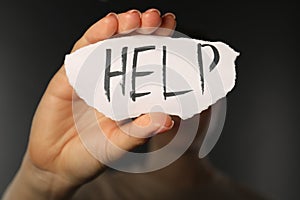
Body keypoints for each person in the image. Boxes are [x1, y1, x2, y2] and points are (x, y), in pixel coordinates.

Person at [2, 8, 267, 200]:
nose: (184, 109)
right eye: (169, 89)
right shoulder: (96, 195)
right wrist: (43, 181)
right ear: (141, 94)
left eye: (199, 91)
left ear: (219, 101)